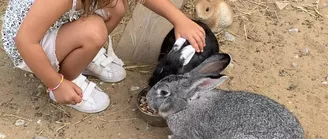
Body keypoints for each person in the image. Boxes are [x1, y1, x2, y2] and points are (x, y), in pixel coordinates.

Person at [1, 0, 206, 113]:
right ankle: (68, 79)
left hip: (51, 26)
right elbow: (25, 41)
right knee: (94, 31)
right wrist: (56, 84)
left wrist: (180, 20)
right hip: (27, 46)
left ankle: (82, 55)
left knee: (116, 6)